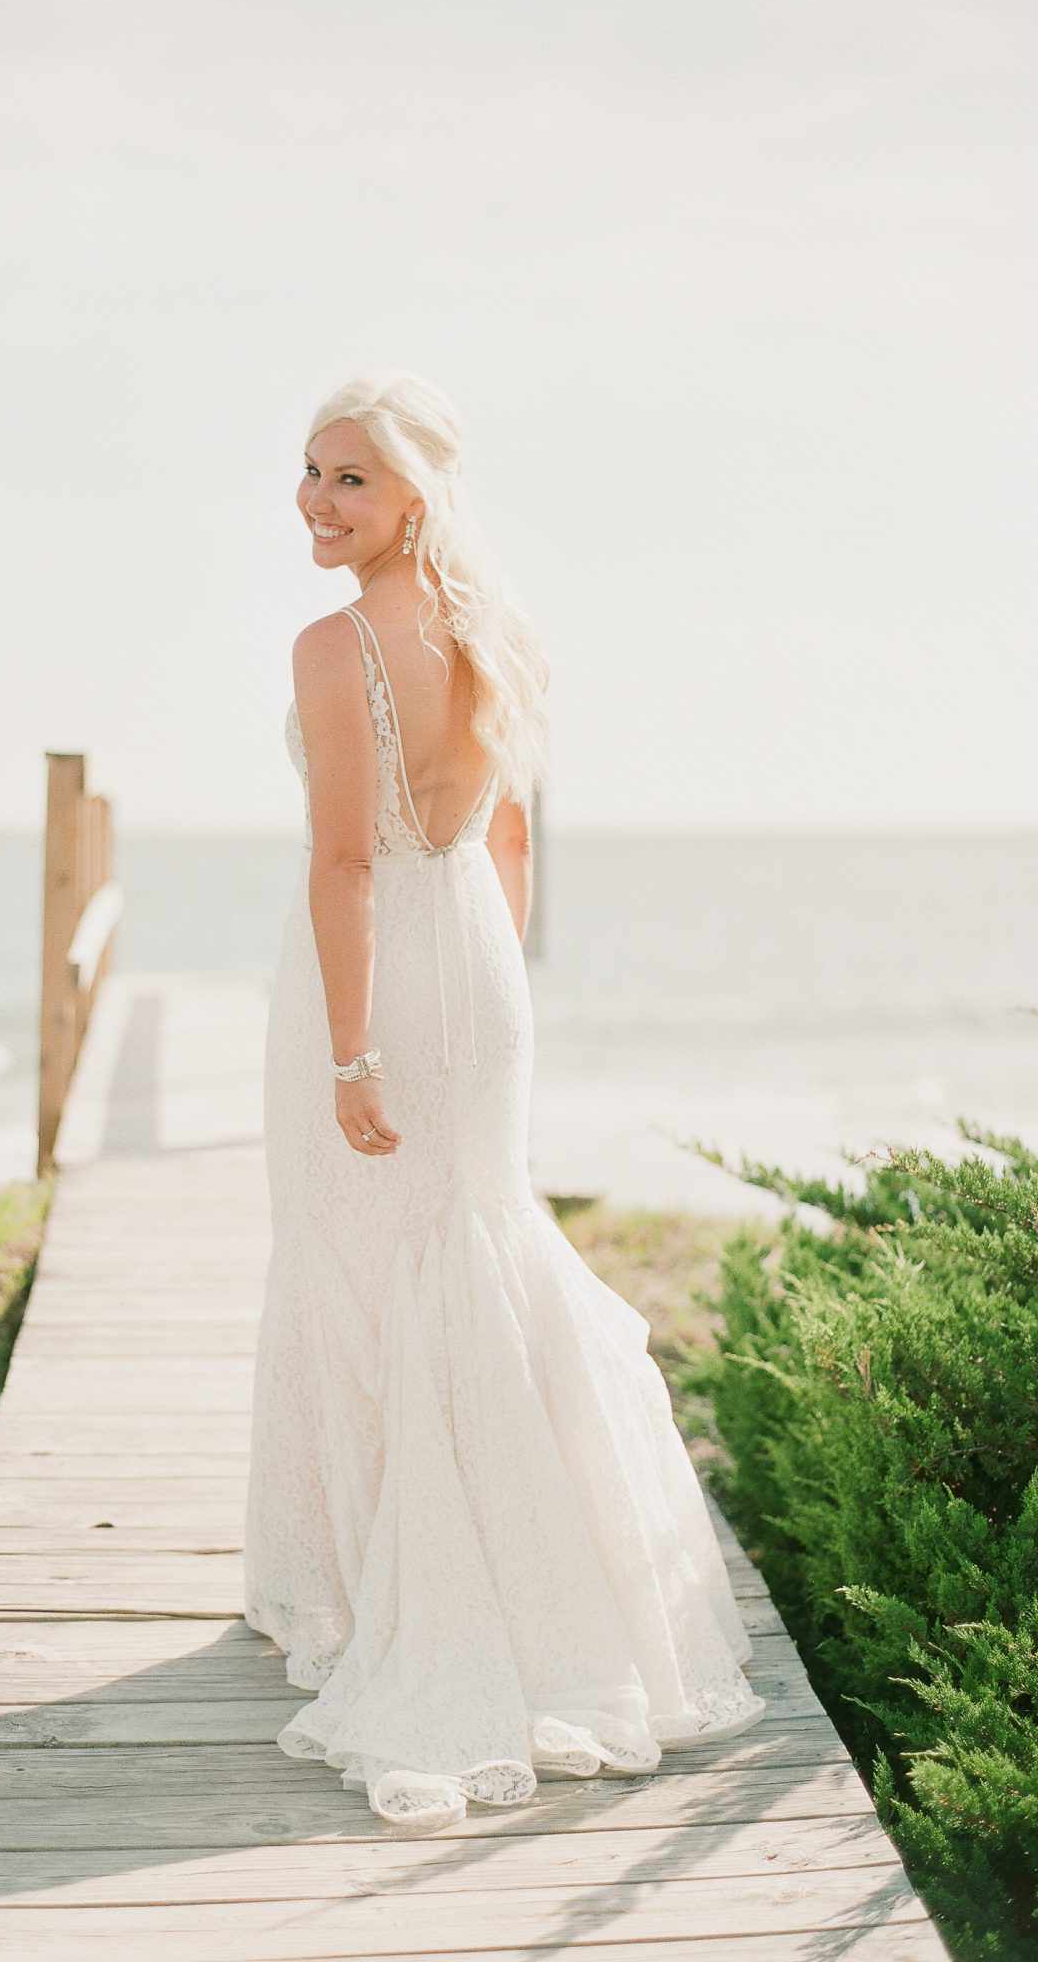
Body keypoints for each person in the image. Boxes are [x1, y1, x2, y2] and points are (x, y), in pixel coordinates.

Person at [242, 370, 765, 1832]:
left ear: (416, 493)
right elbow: (513, 828)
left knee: (363, 1255)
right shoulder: (503, 637)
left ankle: (379, 1599)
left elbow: (346, 862)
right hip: (475, 960)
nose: (316, 500)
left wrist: (354, 1053)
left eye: (350, 477)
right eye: (308, 470)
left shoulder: (331, 647)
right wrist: (491, 992)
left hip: (377, 972)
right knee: (472, 1245)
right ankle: (507, 1578)